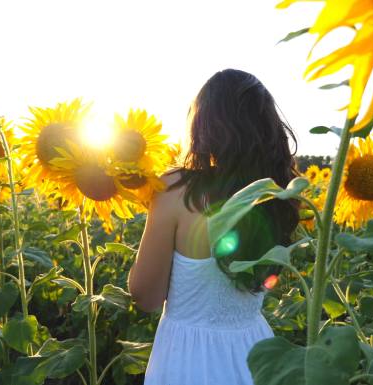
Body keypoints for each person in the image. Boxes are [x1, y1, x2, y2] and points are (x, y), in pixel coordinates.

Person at [128, 68, 300, 385]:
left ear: (202, 126)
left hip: (186, 360)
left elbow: (145, 297)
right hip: (257, 355)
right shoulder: (278, 196)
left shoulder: (176, 189)